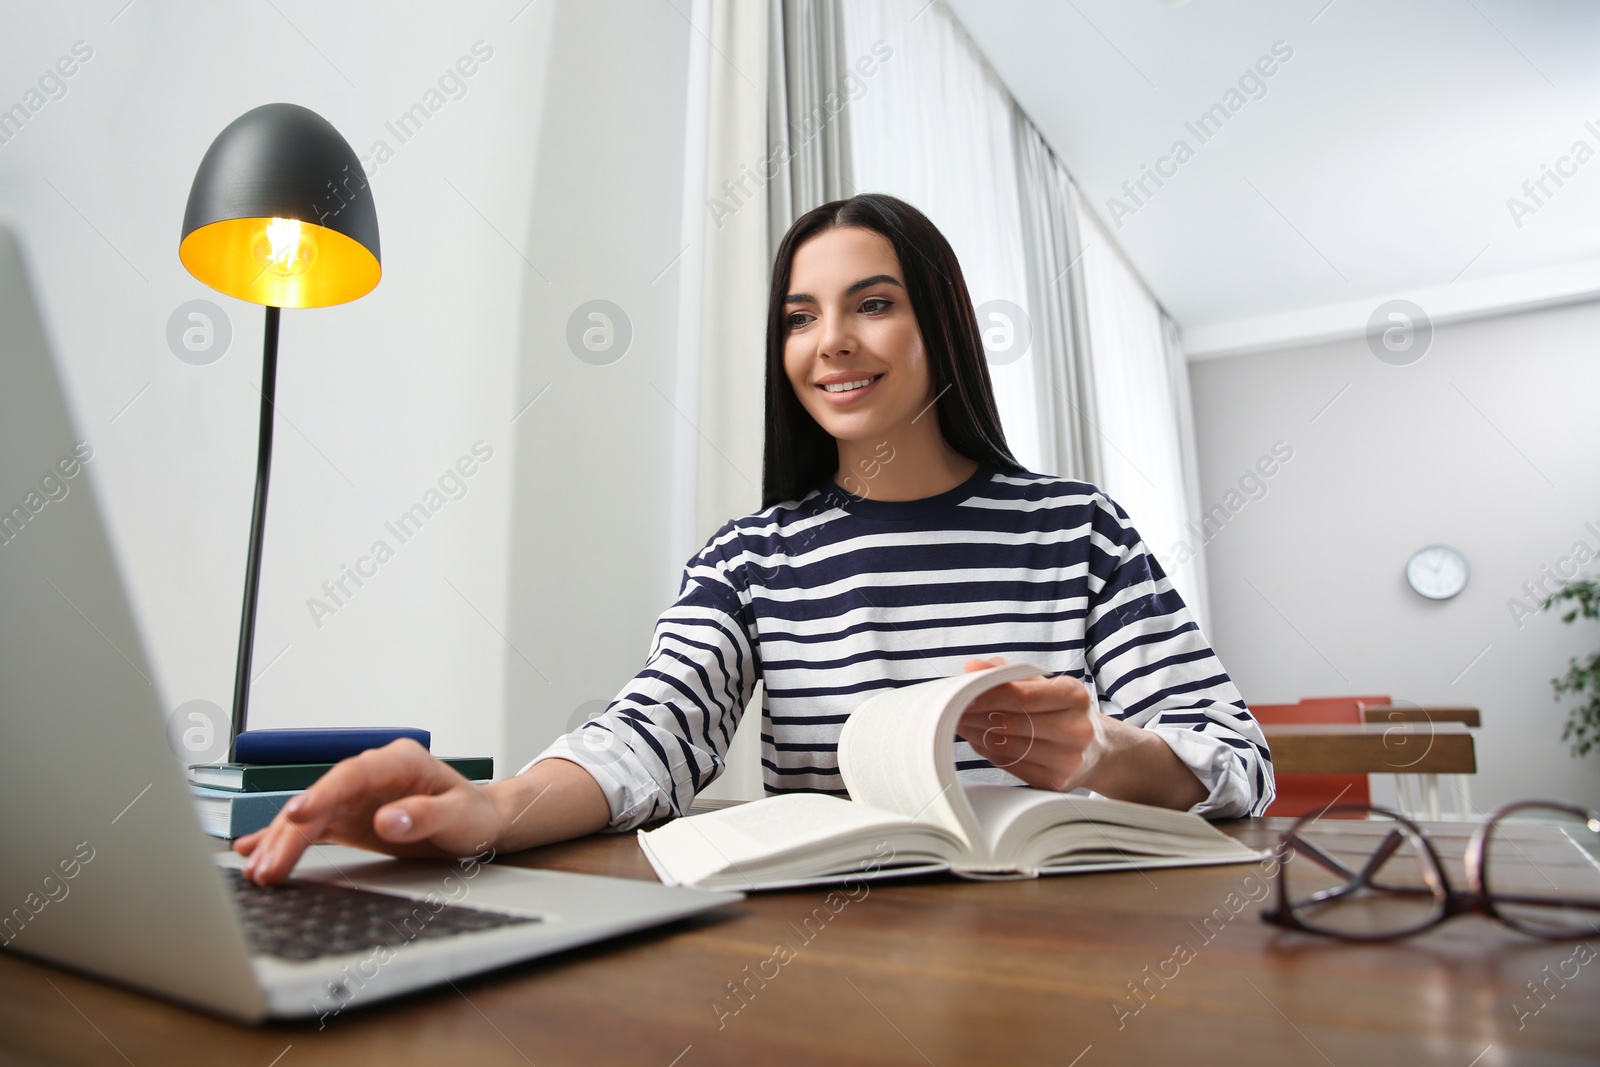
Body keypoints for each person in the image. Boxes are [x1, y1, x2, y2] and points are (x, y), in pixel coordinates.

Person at [238, 194, 1274, 885]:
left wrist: (1102, 748)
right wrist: (490, 805)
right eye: (799, 315)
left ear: (941, 325)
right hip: (835, 948)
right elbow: (649, 739)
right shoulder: (750, 557)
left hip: (1077, 936)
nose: (830, 342)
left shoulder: (1077, 529)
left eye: (873, 304)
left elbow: (1235, 759)